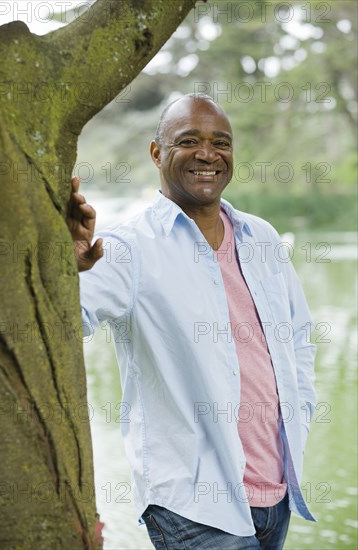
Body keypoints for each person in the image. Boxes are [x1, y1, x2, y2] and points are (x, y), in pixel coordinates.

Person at [68, 93, 316, 549]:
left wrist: (299, 409)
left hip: (273, 491)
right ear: (156, 153)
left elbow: (298, 336)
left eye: (220, 142)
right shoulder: (126, 248)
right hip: (192, 502)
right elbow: (68, 322)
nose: (208, 154)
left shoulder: (259, 235)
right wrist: (68, 266)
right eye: (189, 141)